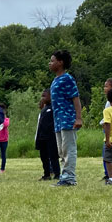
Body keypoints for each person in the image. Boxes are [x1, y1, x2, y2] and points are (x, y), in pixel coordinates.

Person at [49, 50, 83, 187]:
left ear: (60, 62)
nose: (50, 63)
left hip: (67, 119)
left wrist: (78, 118)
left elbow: (76, 98)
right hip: (58, 120)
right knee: (61, 150)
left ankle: (70, 177)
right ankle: (64, 176)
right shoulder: (56, 80)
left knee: (69, 149)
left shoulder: (67, 78)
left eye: (52, 61)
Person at [35, 89, 60, 180]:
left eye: (44, 96)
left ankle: (57, 174)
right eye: (42, 96)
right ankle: (46, 174)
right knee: (43, 157)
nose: (43, 98)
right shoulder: (44, 109)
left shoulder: (54, 108)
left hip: (51, 136)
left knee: (53, 156)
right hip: (42, 136)